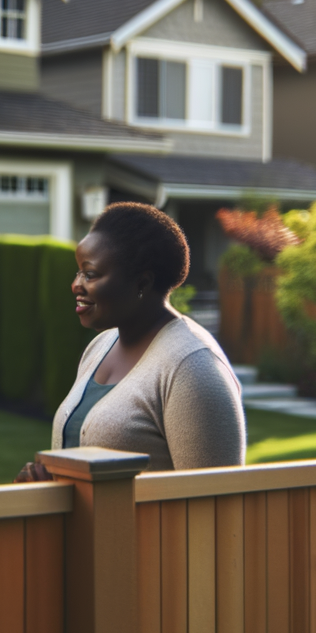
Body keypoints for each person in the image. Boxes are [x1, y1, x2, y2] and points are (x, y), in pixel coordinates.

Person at [21, 202, 245, 479]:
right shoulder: (100, 347)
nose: (76, 284)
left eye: (90, 274)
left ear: (142, 283)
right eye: (78, 272)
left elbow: (215, 504)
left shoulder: (193, 367)